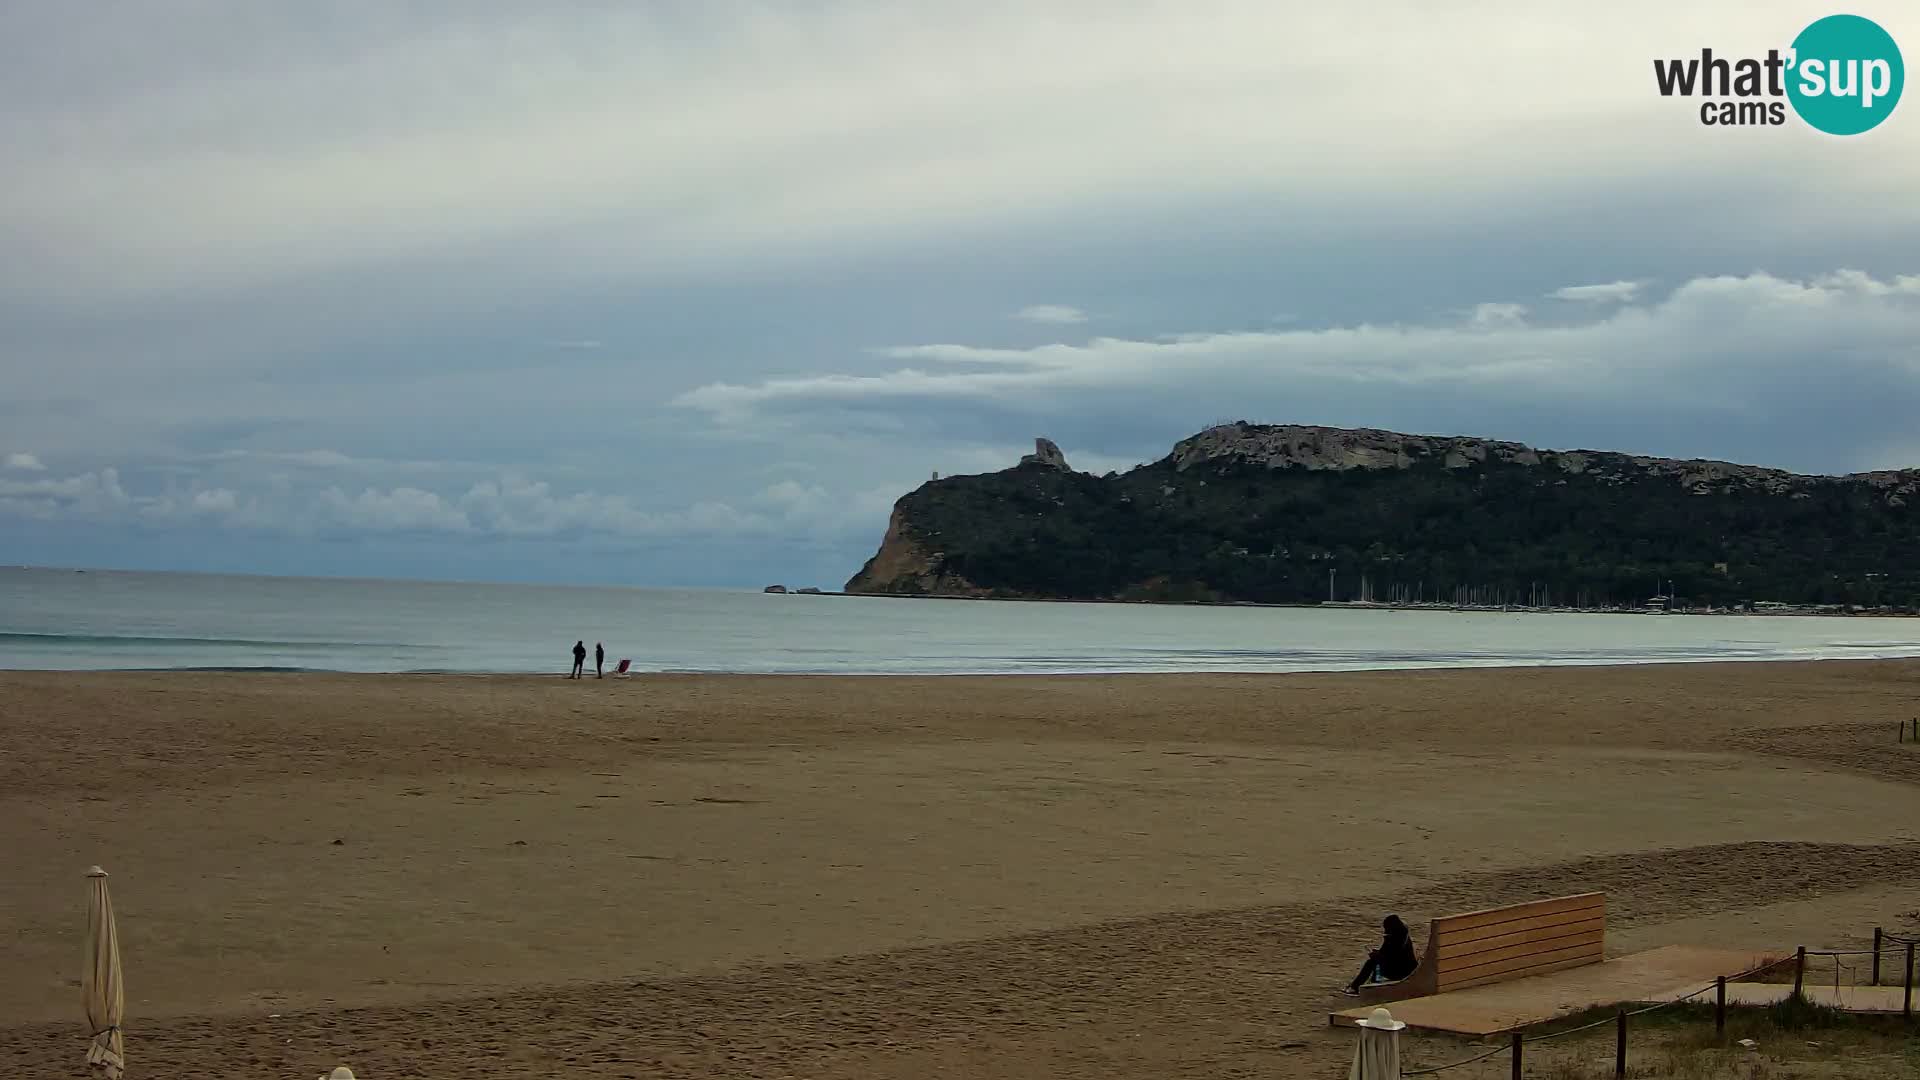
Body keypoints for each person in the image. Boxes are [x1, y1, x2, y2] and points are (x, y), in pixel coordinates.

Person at [1344, 914, 1417, 995]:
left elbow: (1391, 956)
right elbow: (1389, 953)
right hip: (1405, 968)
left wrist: (1377, 955)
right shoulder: (1400, 935)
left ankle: (1355, 987)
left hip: (1401, 971)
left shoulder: (1395, 938)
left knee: (1371, 963)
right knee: (1375, 961)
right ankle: (1364, 985)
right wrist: (1378, 953)